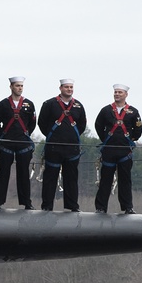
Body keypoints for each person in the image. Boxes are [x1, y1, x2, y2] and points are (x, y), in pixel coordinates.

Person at [38, 80, 87, 212]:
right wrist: (54, 137)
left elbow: (82, 124)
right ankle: (47, 206)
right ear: (60, 88)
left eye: (71, 87)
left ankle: (72, 205)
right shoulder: (49, 104)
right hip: (54, 147)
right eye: (66, 87)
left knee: (71, 178)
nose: (69, 89)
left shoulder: (78, 106)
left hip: (72, 148)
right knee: (50, 178)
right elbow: (42, 123)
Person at [94, 85, 142, 214]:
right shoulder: (106, 110)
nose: (117, 94)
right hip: (109, 151)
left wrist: (131, 139)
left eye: (120, 92)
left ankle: (127, 207)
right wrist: (105, 138)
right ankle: (101, 207)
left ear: (126, 94)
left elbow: (138, 130)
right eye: (115, 92)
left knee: (125, 181)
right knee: (105, 180)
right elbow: (98, 125)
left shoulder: (133, 112)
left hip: (125, 152)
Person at [0, 77, 37, 209]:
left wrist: (25, 135)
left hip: (23, 144)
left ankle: (26, 202)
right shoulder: (2, 105)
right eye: (17, 86)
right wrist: (3, 136)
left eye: (21, 86)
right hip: (6, 144)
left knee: (23, 174)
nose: (20, 88)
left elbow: (32, 123)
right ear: (11, 87)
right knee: (2, 174)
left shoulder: (29, 104)